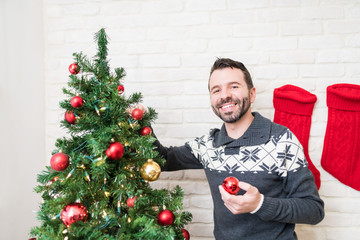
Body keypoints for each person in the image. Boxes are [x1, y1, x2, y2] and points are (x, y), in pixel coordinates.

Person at [153, 58, 324, 240]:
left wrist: (260, 204)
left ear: (251, 94)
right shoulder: (207, 145)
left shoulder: (282, 140)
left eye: (234, 86)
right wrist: (142, 124)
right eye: (216, 90)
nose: (224, 95)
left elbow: (314, 210)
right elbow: (162, 159)